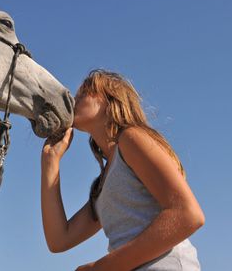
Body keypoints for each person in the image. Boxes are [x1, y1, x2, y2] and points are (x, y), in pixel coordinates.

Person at [41, 69, 204, 270]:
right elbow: (59, 239)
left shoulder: (131, 138)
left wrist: (102, 267)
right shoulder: (105, 180)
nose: (75, 98)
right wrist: (50, 161)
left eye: (84, 92)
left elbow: (188, 215)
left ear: (111, 101)